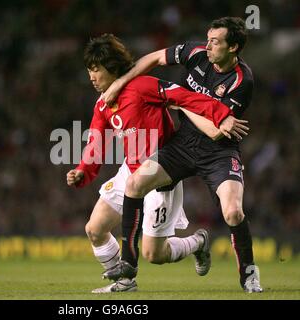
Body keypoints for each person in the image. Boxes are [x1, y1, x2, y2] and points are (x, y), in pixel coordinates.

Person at [66, 33, 248, 293]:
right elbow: (96, 142)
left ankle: (197, 242)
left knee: (155, 254)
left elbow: (185, 97)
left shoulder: (142, 87)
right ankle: (126, 281)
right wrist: (82, 171)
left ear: (112, 68)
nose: (92, 77)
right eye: (89, 71)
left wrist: (221, 115)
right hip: (129, 173)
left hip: (160, 171)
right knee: (94, 229)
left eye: (96, 70)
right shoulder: (103, 104)